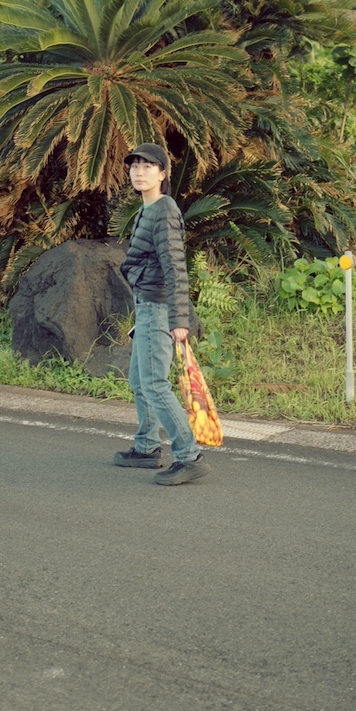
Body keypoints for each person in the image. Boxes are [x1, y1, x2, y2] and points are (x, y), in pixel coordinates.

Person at [114, 143, 209, 485]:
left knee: (154, 384)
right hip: (146, 305)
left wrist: (179, 320)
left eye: (147, 166)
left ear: (163, 174)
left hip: (158, 306)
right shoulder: (147, 209)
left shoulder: (165, 210)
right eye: (134, 166)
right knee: (139, 381)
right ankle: (147, 447)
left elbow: (175, 267)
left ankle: (189, 456)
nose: (139, 172)